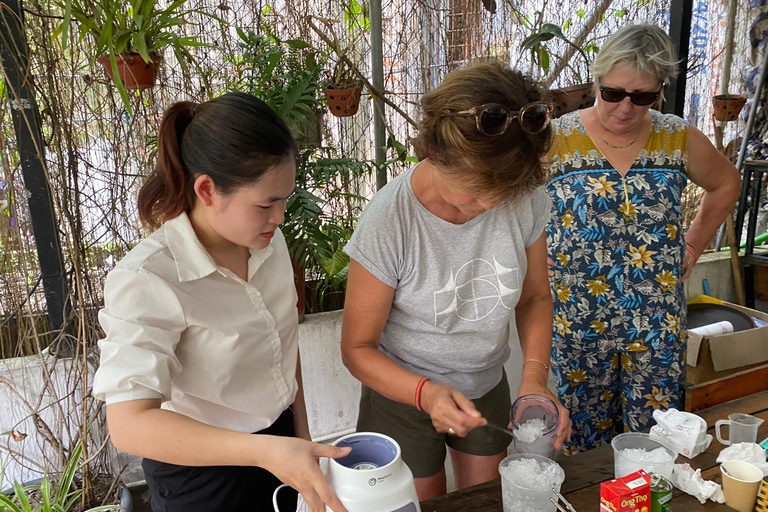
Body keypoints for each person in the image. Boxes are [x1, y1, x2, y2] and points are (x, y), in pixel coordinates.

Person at [92, 92, 350, 512]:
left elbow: (282, 346)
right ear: (207, 190)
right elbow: (129, 424)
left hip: (278, 441)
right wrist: (266, 452)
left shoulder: (267, 241)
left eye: (285, 199)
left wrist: (300, 440)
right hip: (202, 472)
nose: (281, 217)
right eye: (267, 202)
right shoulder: (150, 278)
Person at [340, 62, 571, 501]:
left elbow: (535, 297)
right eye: (473, 195)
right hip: (402, 393)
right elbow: (356, 349)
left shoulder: (521, 195)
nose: (488, 207)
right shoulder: (390, 221)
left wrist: (535, 380)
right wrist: (425, 394)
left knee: (483, 500)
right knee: (423, 503)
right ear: (435, 153)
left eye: (501, 195)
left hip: (485, 382)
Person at [545, 24, 741, 454]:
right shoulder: (556, 140)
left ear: (660, 91)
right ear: (595, 81)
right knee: (581, 436)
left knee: (657, 432)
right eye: (613, 93)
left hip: (654, 317)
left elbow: (726, 183)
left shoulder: (675, 137)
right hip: (577, 316)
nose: (625, 107)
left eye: (643, 96)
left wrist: (692, 245)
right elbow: (514, 207)